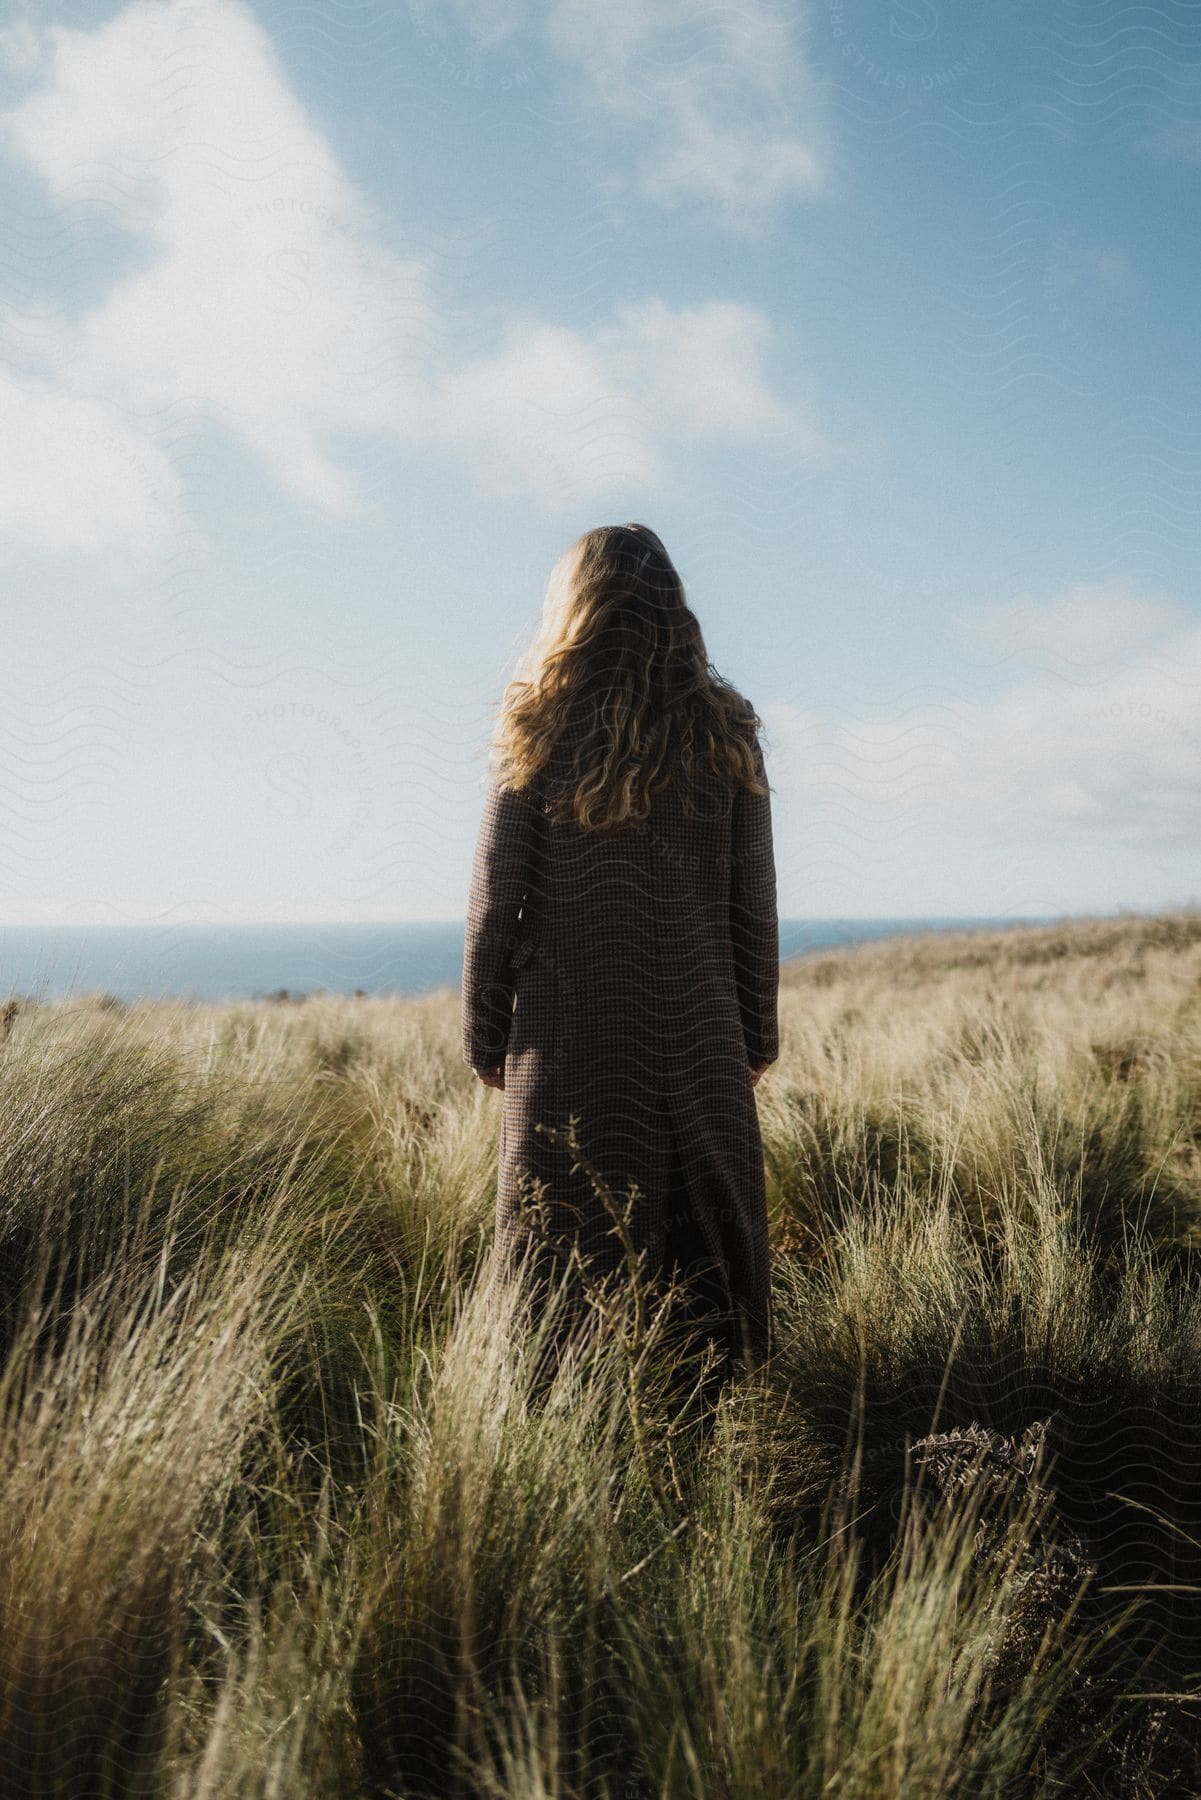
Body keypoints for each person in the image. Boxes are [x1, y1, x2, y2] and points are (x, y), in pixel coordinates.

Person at [461, 523, 779, 1413]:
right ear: (671, 606)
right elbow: (751, 902)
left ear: (574, 602)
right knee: (707, 1267)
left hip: (568, 1039)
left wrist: (485, 1036)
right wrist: (754, 1036)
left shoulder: (537, 718)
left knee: (558, 1267)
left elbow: (496, 899)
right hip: (701, 1034)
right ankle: (717, 1461)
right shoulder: (726, 728)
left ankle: (563, 1458)